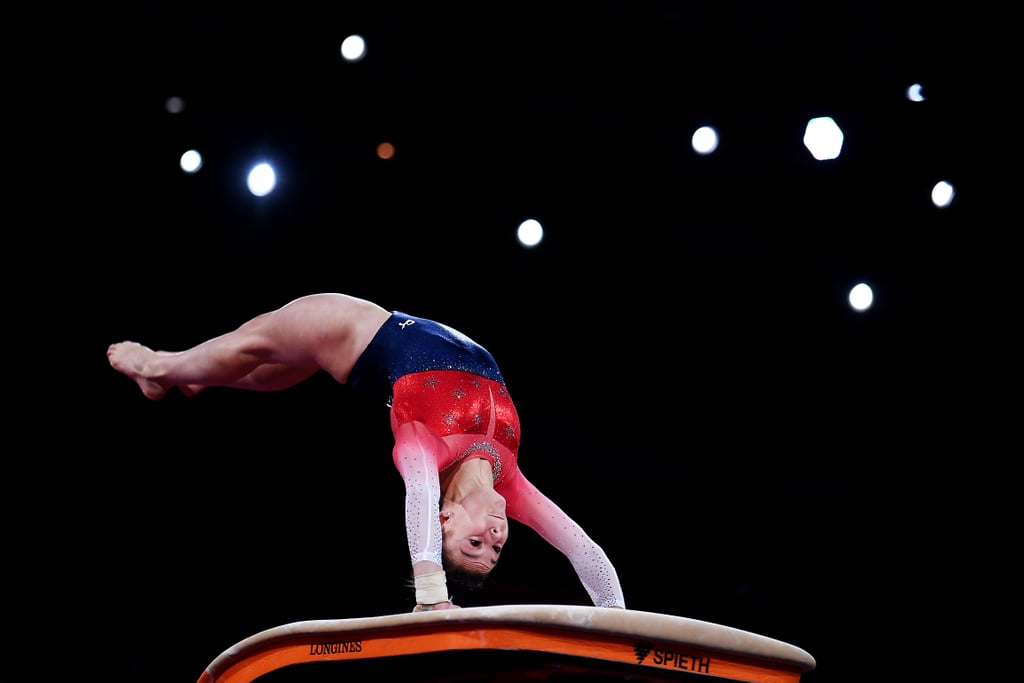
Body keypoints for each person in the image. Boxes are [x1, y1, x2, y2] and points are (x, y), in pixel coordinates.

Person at [107, 292, 626, 613]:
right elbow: (584, 549)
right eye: (495, 551)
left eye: (473, 546)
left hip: (354, 329)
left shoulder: (424, 447)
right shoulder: (510, 481)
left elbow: (419, 494)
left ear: (444, 519)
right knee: (271, 363)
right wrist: (620, 620)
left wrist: (431, 590)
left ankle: (160, 369)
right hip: (351, 352)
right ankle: (199, 379)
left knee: (254, 344)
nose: (492, 542)